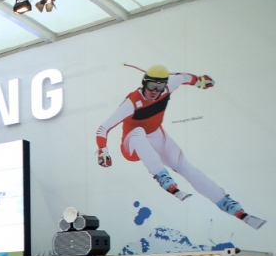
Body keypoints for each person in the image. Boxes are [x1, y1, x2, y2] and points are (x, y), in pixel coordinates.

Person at [96, 66, 264, 229]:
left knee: (186, 167)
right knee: (138, 131)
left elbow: (184, 77)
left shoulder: (170, 84)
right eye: (151, 86)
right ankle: (161, 175)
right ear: (144, 83)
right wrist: (103, 151)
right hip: (132, 145)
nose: (154, 91)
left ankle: (228, 204)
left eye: (159, 87)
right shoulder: (132, 102)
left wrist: (199, 81)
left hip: (155, 136)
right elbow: (103, 128)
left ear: (165, 85)